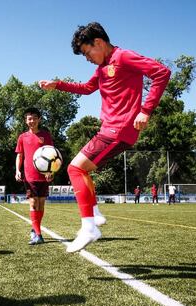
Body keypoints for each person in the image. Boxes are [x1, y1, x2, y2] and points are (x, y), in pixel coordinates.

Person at [39, 22, 170, 252]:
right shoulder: (102, 69)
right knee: (82, 169)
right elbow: (86, 88)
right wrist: (57, 85)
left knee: (74, 169)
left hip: (119, 129)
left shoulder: (124, 56)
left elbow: (161, 72)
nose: (87, 58)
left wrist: (146, 110)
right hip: (109, 129)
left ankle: (89, 227)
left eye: (87, 52)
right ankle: (95, 215)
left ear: (98, 42)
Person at [15, 108, 54, 245]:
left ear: (39, 119)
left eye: (34, 118)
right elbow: (20, 155)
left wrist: (51, 171)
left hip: (43, 176)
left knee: (41, 203)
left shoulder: (46, 135)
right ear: (26, 121)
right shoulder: (22, 137)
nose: (32, 121)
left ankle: (35, 229)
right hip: (29, 175)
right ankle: (38, 234)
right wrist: (17, 170)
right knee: (33, 203)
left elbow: (52, 154)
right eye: (29, 119)